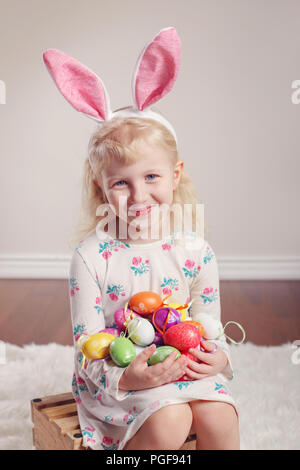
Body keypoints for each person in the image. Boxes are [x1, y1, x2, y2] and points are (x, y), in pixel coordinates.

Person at [43, 27, 239, 450]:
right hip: (121, 380)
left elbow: (210, 323)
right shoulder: (91, 256)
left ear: (175, 174)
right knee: (170, 419)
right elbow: (88, 348)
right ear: (100, 188)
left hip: (183, 366)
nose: (138, 196)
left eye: (151, 176)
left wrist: (219, 358)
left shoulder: (195, 252)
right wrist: (127, 374)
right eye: (120, 183)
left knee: (221, 416)